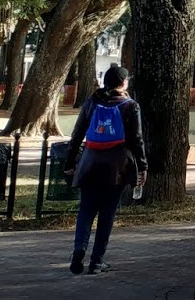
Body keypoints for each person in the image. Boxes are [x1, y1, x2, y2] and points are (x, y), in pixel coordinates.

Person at [64, 64, 147, 275]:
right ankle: (97, 261)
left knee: (86, 210)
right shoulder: (130, 106)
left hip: (89, 164)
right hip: (116, 168)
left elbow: (77, 134)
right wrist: (142, 167)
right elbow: (137, 140)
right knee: (107, 214)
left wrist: (70, 162)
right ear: (123, 83)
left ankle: (79, 248)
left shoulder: (92, 102)